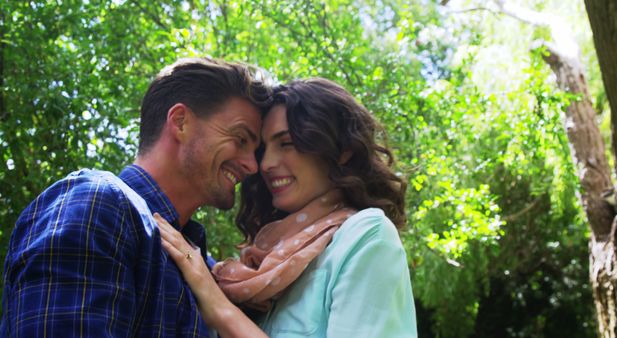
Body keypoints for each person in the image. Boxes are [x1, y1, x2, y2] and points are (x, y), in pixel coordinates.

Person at [1, 57, 271, 337]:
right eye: (240, 139)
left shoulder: (201, 265)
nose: (252, 166)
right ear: (180, 122)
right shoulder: (96, 205)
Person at [157, 78, 417, 337]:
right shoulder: (264, 262)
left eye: (286, 143)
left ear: (342, 151)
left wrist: (220, 309)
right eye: (263, 150)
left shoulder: (365, 235)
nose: (266, 164)